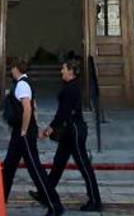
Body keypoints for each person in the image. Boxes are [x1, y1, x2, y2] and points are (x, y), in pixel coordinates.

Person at [0, 57, 62, 216]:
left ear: (16, 69)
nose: (11, 71)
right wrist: (33, 127)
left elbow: (28, 109)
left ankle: (54, 205)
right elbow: (34, 107)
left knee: (35, 169)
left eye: (12, 68)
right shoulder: (23, 84)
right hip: (20, 133)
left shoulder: (22, 85)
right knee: (8, 167)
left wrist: (25, 130)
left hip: (23, 133)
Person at [32, 59, 103, 212]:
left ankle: (95, 200)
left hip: (74, 130)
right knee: (58, 163)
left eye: (63, 68)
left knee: (84, 165)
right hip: (68, 131)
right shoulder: (70, 86)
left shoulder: (72, 88)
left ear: (71, 71)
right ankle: (45, 193)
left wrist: (49, 129)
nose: (61, 71)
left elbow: (63, 112)